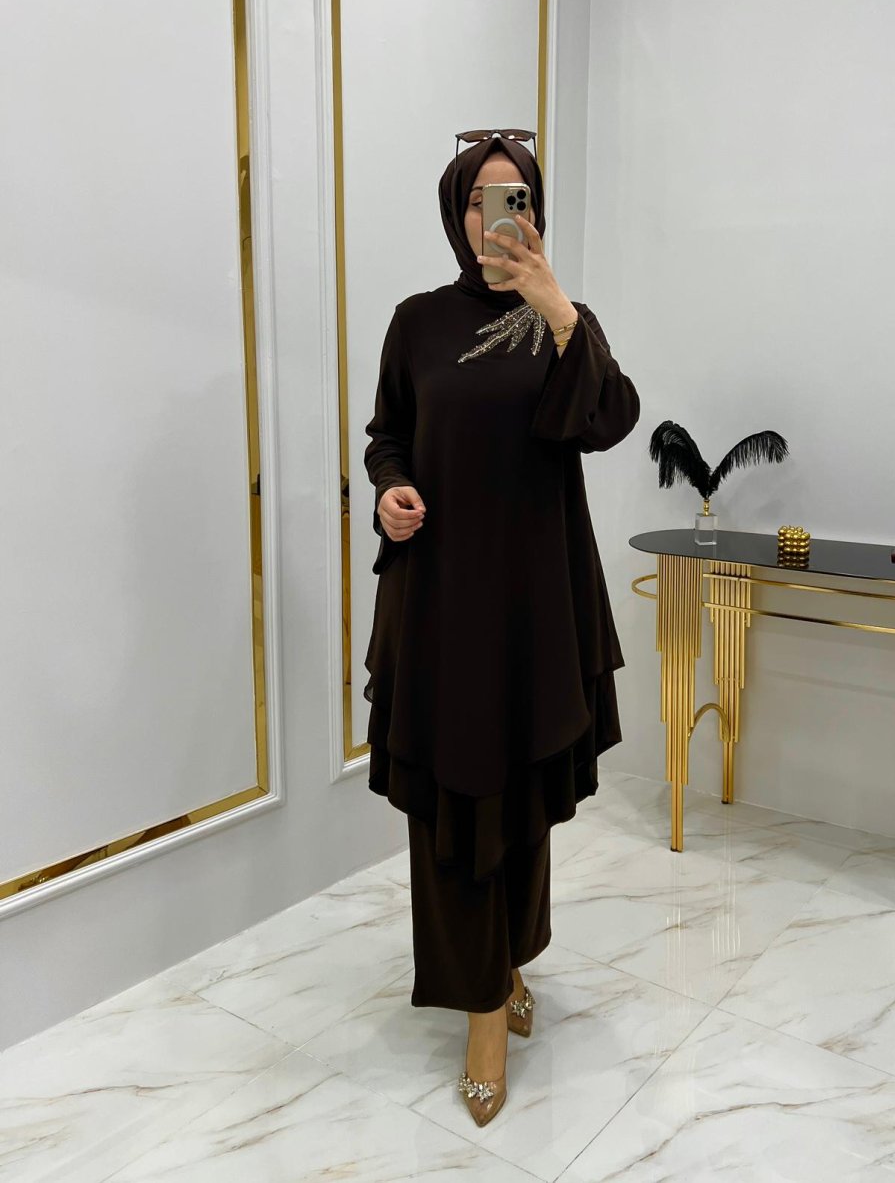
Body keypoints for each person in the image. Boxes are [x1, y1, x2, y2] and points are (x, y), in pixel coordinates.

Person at [362, 132, 640, 1126]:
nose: (498, 216)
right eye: (481, 198)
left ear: (535, 209)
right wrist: (391, 487)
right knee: (453, 805)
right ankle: (482, 1005)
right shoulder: (417, 322)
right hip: (441, 600)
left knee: (519, 797)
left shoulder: (564, 323)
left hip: (534, 601)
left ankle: (511, 962)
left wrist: (558, 309)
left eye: (515, 196)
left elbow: (609, 419)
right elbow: (388, 435)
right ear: (456, 212)